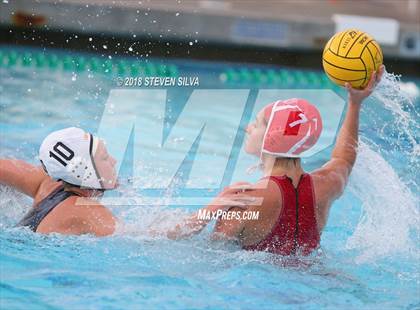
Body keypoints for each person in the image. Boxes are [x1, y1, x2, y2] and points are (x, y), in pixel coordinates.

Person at [168, 66, 384, 256]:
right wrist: (355, 103)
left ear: (271, 137)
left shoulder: (245, 201)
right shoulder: (327, 185)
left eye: (257, 123)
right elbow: (344, 159)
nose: (248, 128)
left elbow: (205, 252)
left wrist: (212, 207)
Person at [0, 127, 118, 236]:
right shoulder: (88, 211)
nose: (114, 161)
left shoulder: (47, 183)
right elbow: (130, 240)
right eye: (104, 158)